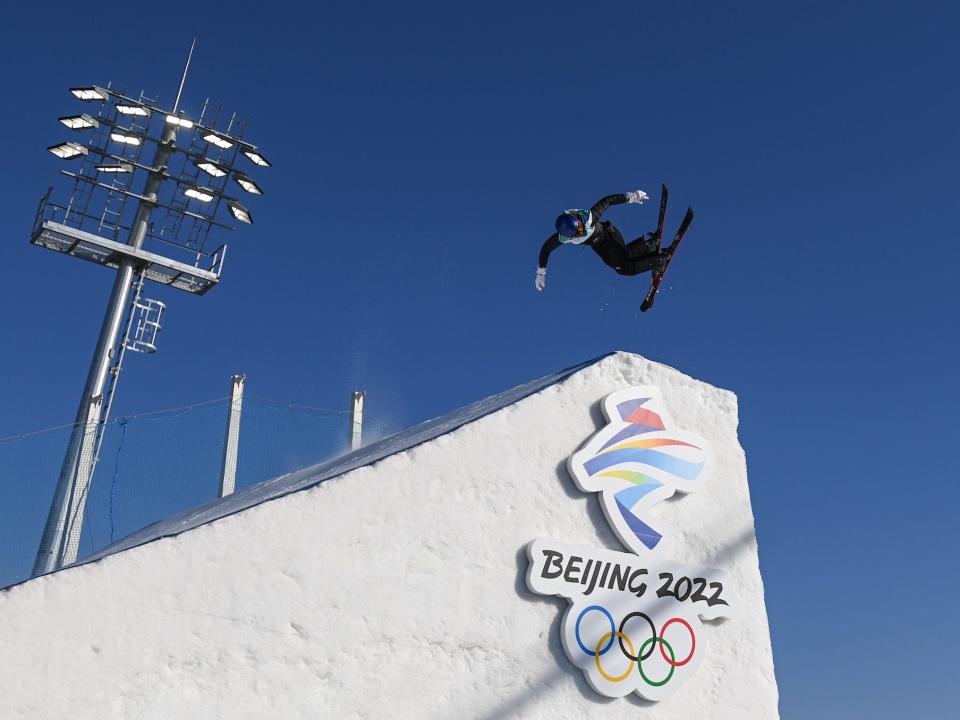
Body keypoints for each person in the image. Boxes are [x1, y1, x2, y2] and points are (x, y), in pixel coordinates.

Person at [534, 190, 670, 292]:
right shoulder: (564, 235)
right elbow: (546, 248)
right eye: (579, 231)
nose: (582, 228)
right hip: (600, 247)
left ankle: (660, 260)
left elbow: (607, 201)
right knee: (622, 259)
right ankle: (647, 246)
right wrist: (541, 272)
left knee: (625, 268)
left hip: (610, 236)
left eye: (580, 226)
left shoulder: (589, 217)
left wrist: (631, 197)